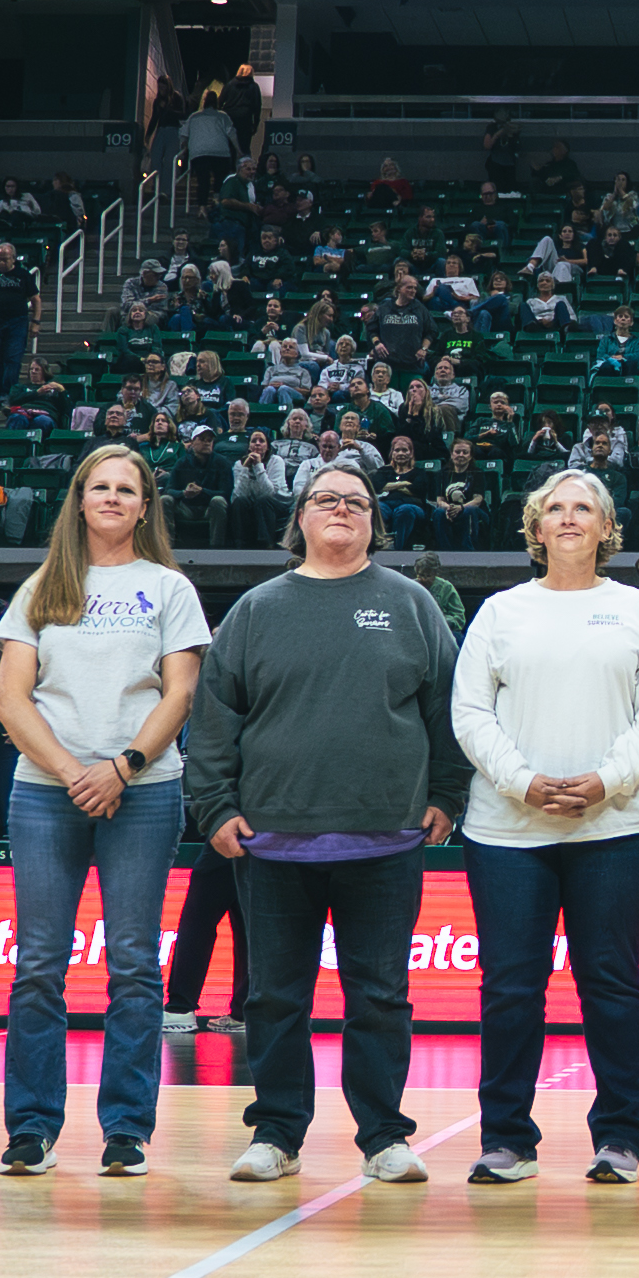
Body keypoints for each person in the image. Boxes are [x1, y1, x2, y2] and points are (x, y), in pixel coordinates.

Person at [190, 456, 465, 1186]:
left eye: (357, 501)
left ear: (374, 520)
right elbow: (214, 719)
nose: (341, 509)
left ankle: (383, 1136)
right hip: (272, 840)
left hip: (386, 836)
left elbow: (447, 710)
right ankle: (277, 1133)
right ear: (300, 519)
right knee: (274, 996)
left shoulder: (412, 605)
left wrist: (448, 794)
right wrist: (215, 806)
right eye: (325, 499)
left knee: (379, 997)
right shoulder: (257, 609)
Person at [0, 444, 208, 1179]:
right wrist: (74, 772)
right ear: (79, 498)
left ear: (146, 506)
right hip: (48, 793)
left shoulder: (168, 587)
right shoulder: (43, 586)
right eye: (100, 486)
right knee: (40, 966)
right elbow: (13, 700)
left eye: (128, 489)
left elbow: (178, 694)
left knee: (135, 967)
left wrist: (122, 768)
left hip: (143, 793)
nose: (112, 498)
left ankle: (126, 1129)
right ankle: (31, 1127)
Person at [450, 469, 639, 1185]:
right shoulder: (500, 612)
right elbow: (470, 714)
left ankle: (619, 1138)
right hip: (507, 832)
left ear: (609, 529)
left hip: (617, 828)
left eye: (585, 508)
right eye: (556, 508)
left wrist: (607, 781)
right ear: (535, 527)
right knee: (511, 986)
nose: (570, 517)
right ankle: (507, 1138)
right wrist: (524, 782)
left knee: (610, 981)